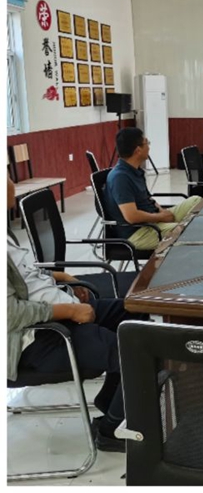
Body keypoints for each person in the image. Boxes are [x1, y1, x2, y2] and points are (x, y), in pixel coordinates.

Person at [7, 176, 146, 452]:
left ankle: (111, 402)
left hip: (55, 315)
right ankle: (111, 431)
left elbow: (24, 276)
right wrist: (70, 310)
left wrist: (60, 278)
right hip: (34, 340)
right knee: (137, 351)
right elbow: (9, 315)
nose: (12, 183)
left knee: (136, 314)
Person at [105, 127, 201, 250]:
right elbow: (131, 216)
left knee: (196, 201)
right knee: (188, 230)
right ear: (138, 150)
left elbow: (148, 198)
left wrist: (162, 211)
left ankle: (179, 227)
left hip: (153, 220)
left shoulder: (135, 170)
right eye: (147, 143)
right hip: (139, 232)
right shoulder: (120, 178)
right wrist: (161, 217)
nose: (149, 147)